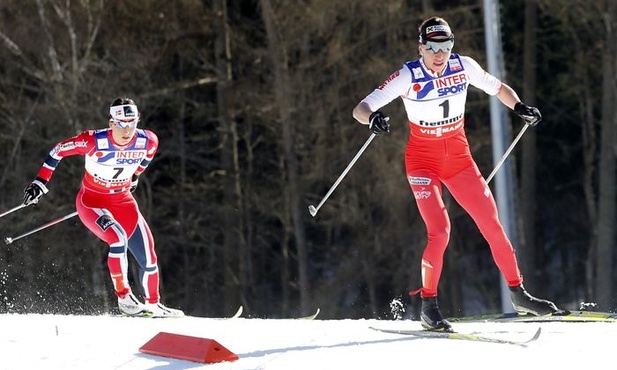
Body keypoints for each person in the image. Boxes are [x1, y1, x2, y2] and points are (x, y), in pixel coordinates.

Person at [352, 16, 561, 331]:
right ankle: (428, 305)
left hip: (460, 160)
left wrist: (519, 107)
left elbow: (498, 88)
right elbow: (361, 108)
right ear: (421, 47)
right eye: (434, 47)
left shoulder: (464, 66)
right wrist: (372, 119)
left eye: (446, 46)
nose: (440, 54)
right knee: (441, 229)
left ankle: (519, 294)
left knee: (492, 225)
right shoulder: (408, 75)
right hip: (422, 162)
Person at [22, 97, 184, 317]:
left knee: (148, 255)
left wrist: (134, 177)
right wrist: (40, 182)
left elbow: (145, 160)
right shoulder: (92, 140)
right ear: (111, 123)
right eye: (121, 123)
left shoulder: (148, 140)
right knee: (117, 238)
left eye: (132, 122)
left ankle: (154, 304)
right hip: (92, 202)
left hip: (123, 201)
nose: (127, 130)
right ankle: (124, 298)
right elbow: (57, 151)